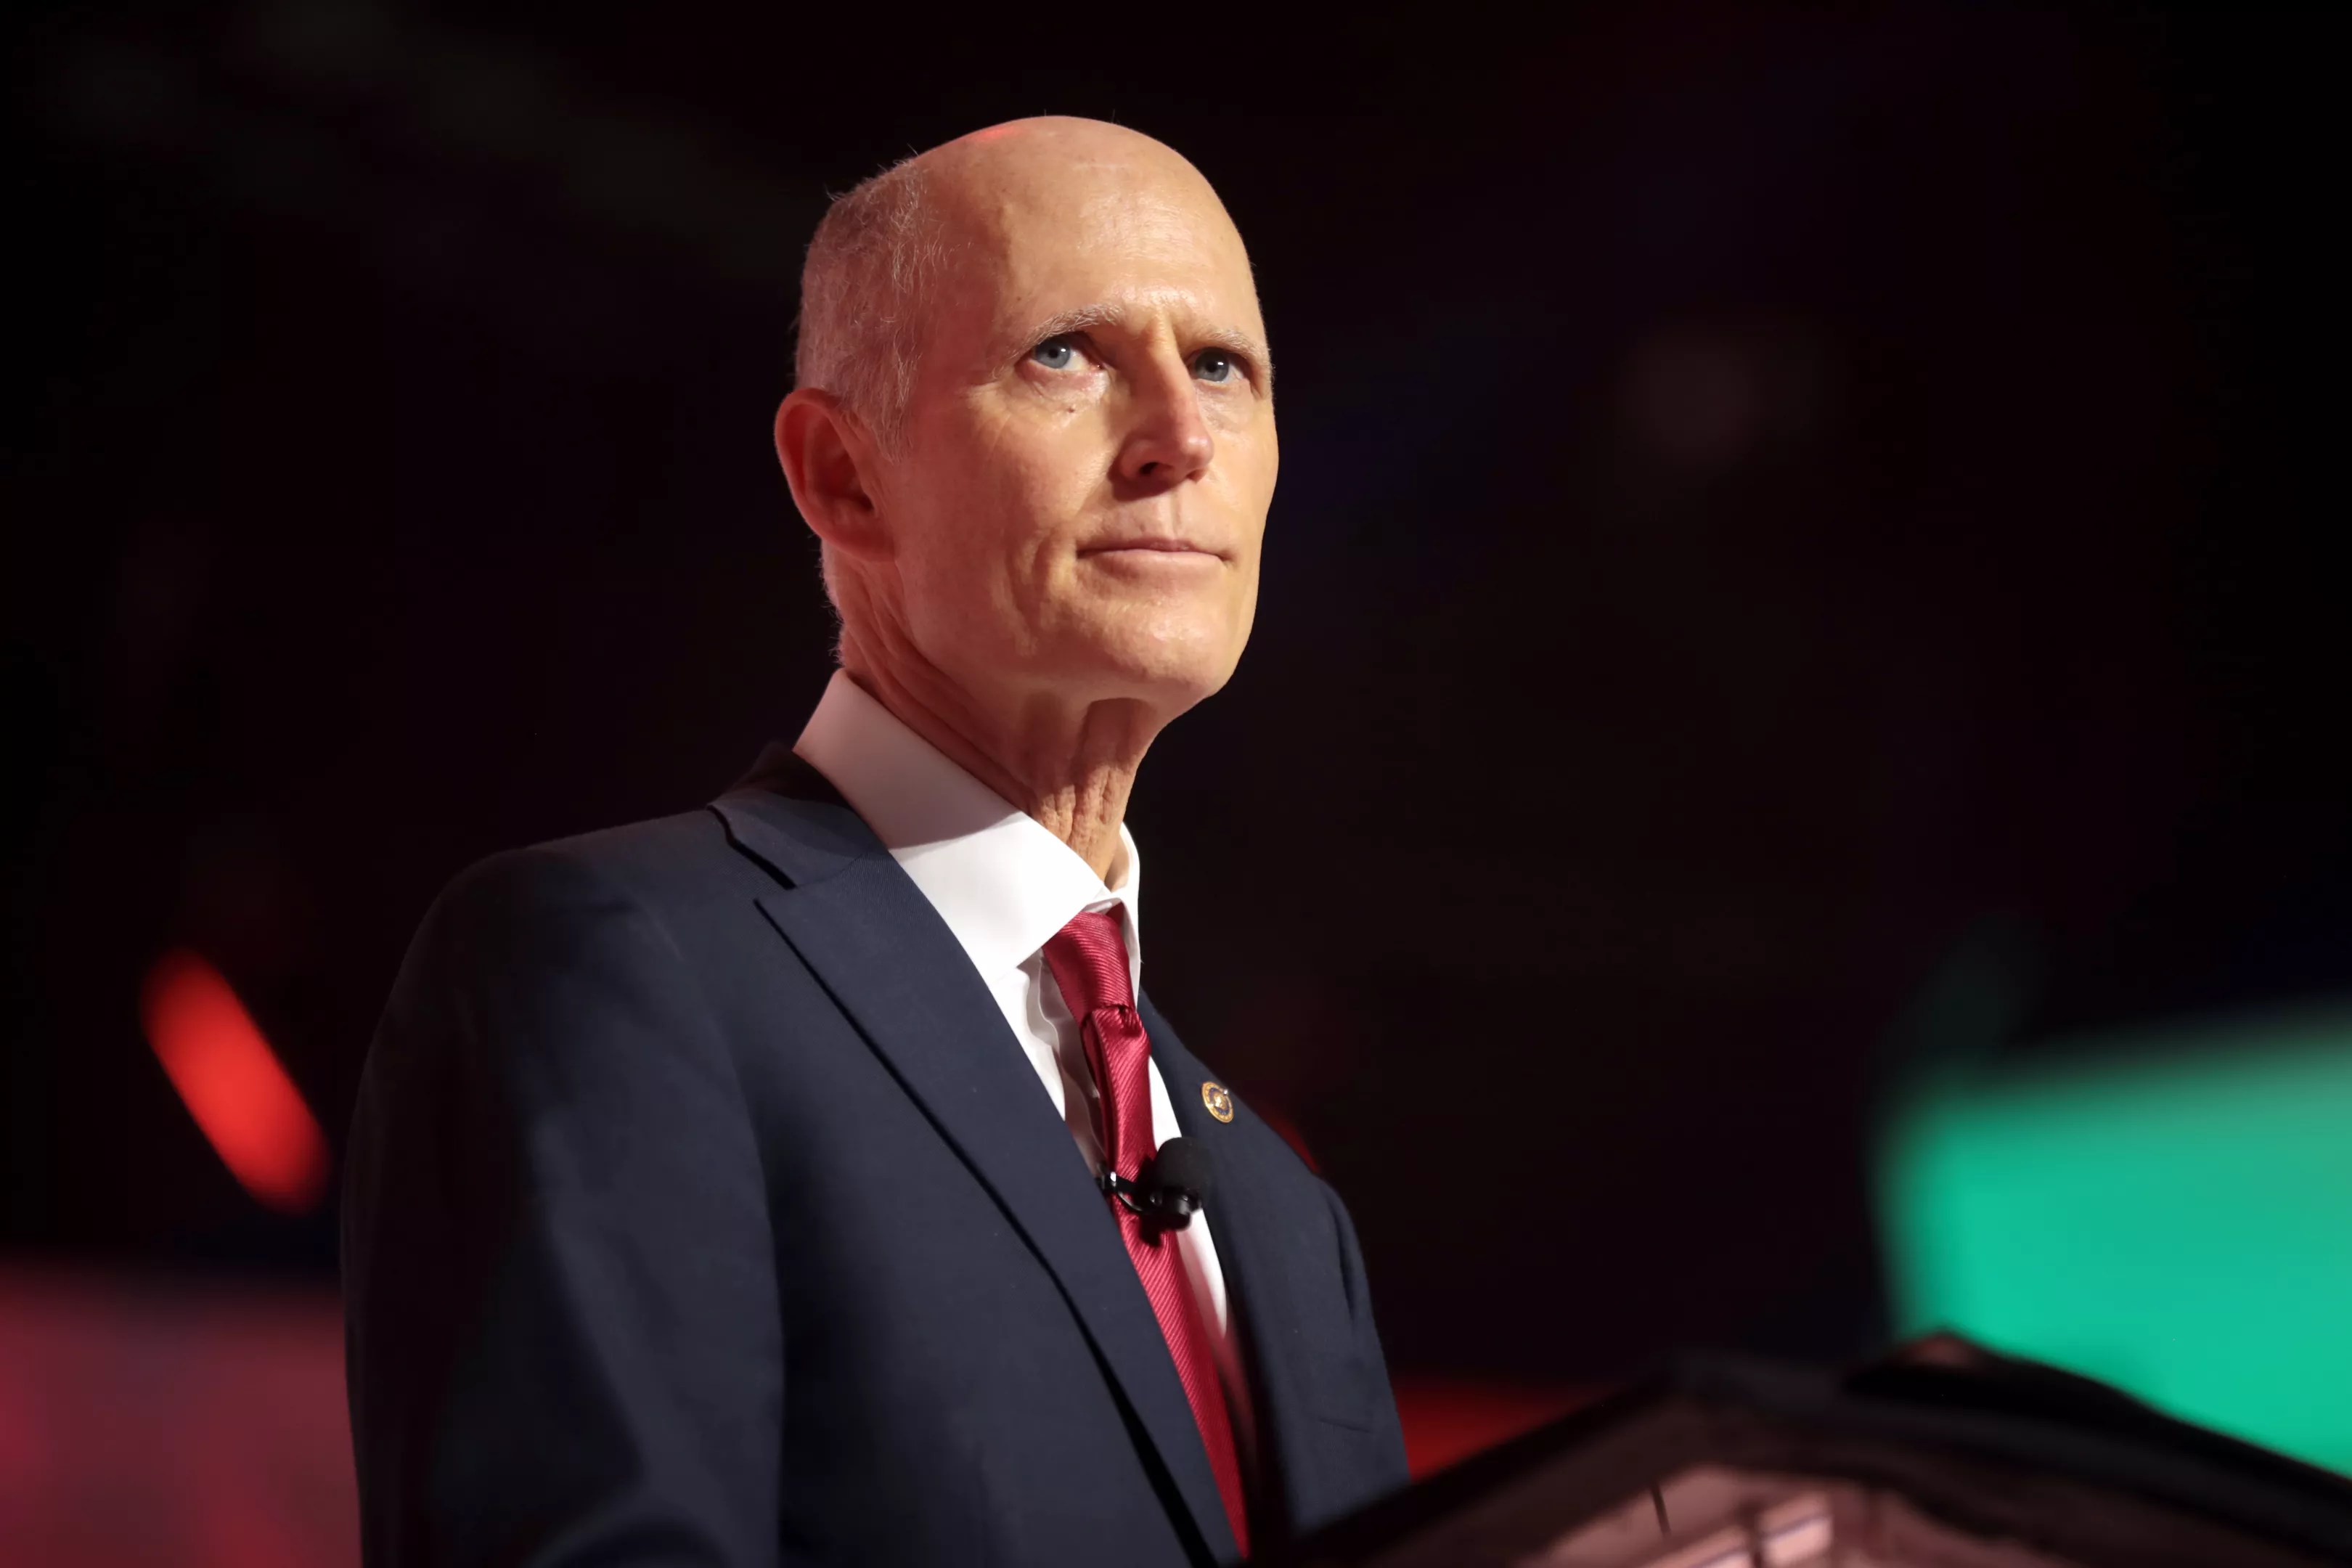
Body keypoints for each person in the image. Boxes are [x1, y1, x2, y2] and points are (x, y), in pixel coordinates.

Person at [342, 116, 1408, 1567]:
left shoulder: (1287, 1220)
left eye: (1223, 364)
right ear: (845, 475)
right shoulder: (616, 972)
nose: (1183, 435)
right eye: (1066, 354)